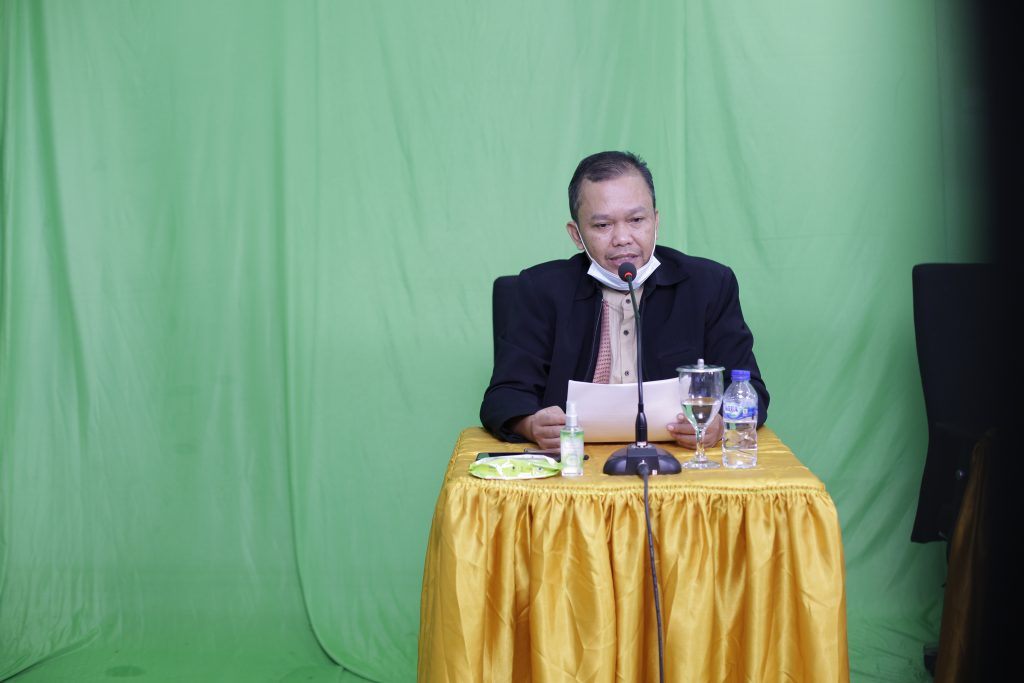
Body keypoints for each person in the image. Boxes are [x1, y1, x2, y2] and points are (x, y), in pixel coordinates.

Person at [480, 151, 768, 451]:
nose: (622, 238)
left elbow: (749, 389)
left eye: (636, 220)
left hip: (678, 460)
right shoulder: (541, 289)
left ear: (655, 221)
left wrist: (719, 423)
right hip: (575, 462)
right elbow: (504, 396)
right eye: (602, 225)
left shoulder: (708, 285)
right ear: (577, 235)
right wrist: (530, 424)